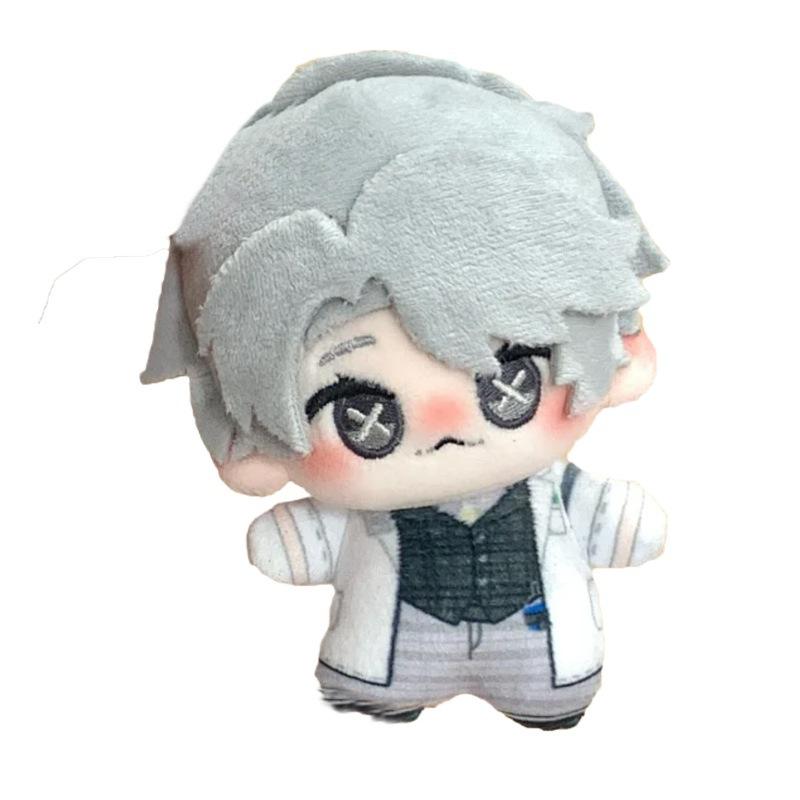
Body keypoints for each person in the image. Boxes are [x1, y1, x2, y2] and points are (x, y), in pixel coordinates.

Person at [143, 50, 667, 727]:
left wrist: (624, 520)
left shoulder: (553, 493)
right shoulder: (363, 510)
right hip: (382, 672)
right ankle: (387, 695)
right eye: (361, 413)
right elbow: (307, 541)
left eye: (507, 383)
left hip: (547, 658)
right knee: (373, 696)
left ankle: (539, 700)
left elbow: (612, 521)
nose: (444, 416)